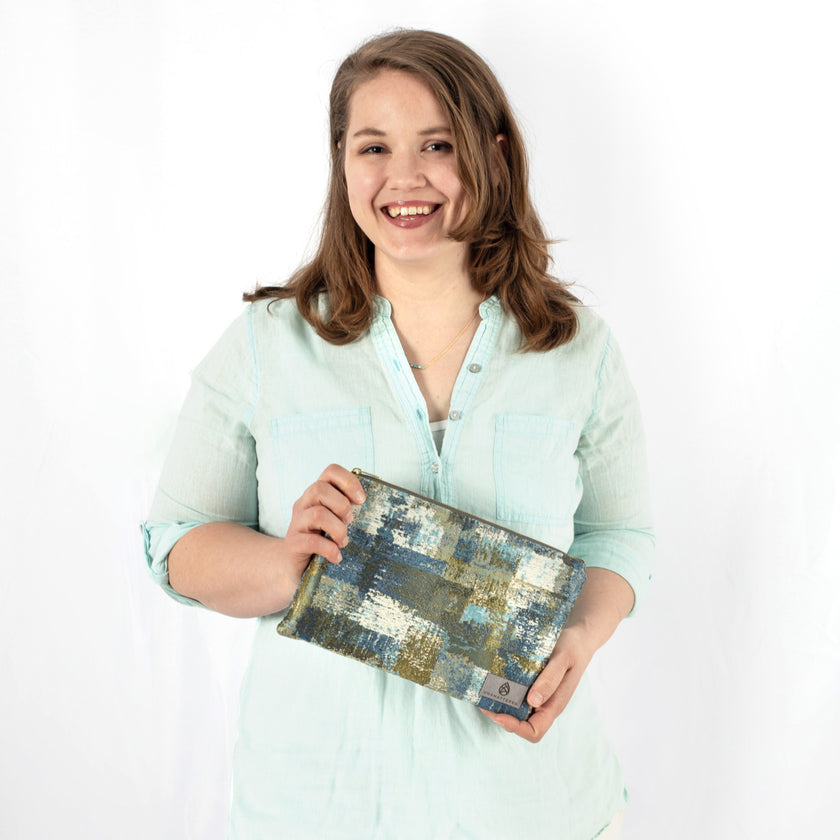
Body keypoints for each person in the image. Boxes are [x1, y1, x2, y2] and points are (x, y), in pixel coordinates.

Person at [142, 29, 654, 840]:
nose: (403, 178)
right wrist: (283, 562)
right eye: (373, 146)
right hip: (315, 810)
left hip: (534, 807)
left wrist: (581, 639)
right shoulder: (267, 344)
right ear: (341, 160)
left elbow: (620, 532)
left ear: (490, 153)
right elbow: (173, 543)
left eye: (437, 145)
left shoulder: (577, 346)